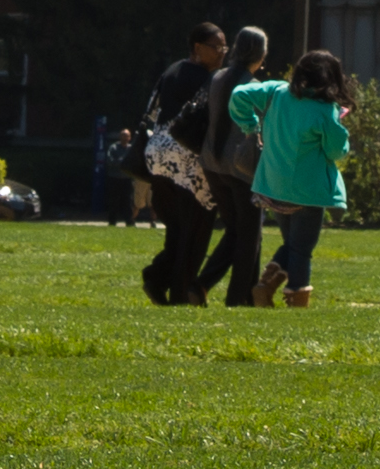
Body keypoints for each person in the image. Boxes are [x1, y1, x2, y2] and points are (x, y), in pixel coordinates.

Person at [231, 48, 352, 308]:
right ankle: (296, 297)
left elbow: (239, 94)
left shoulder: (276, 92)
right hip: (307, 190)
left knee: (293, 243)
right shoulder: (324, 110)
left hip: (273, 185)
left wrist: (250, 125)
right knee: (301, 249)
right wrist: (341, 132)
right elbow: (335, 151)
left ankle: (266, 285)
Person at [139, 23, 229, 304]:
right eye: (216, 47)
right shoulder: (207, 79)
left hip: (157, 157)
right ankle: (180, 293)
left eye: (224, 47)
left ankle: (156, 278)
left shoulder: (171, 71)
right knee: (196, 230)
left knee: (177, 230)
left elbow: (151, 110)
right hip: (188, 160)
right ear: (197, 48)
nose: (222, 53)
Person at [192, 27, 270, 307]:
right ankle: (238, 298)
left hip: (213, 164)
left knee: (237, 230)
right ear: (260, 53)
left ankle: (203, 285)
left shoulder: (217, 77)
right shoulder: (254, 87)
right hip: (242, 168)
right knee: (249, 236)